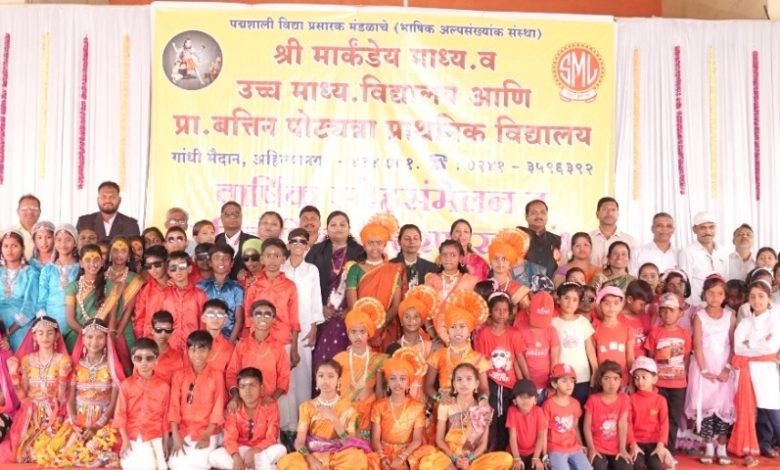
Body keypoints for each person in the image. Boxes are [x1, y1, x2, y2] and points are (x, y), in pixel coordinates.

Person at [276, 360, 371, 469]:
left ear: (339, 380)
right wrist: (310, 459)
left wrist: (334, 419)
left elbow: (349, 441)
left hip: (339, 455)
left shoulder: (348, 407)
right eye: (321, 376)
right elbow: (299, 443)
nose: (325, 380)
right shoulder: (306, 406)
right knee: (287, 462)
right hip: (314, 453)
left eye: (330, 376)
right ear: (316, 380)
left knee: (357, 458)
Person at [419, 363, 513, 469]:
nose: (464, 383)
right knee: (427, 461)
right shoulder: (446, 405)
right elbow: (439, 440)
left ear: (476, 384)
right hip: (449, 457)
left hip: (471, 460)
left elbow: (483, 444)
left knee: (506, 458)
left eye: (469, 379)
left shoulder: (482, 409)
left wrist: (468, 459)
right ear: (454, 384)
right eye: (459, 379)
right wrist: (454, 458)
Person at [683, 274, 735, 465]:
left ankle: (721, 447)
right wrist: (704, 370)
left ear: (725, 295)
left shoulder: (730, 316)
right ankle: (708, 447)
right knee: (705, 408)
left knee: (723, 408)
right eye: (711, 293)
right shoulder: (699, 316)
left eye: (719, 293)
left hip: (723, 368)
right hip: (703, 368)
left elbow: (733, 345)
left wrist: (727, 368)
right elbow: (697, 345)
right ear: (704, 294)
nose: (715, 297)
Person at [306, 210, 366, 373]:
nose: (338, 228)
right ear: (327, 229)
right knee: (321, 357)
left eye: (342, 225)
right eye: (333, 225)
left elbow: (365, 284)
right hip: (322, 314)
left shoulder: (360, 252)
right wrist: (320, 307)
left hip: (348, 314)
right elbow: (307, 284)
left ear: (349, 228)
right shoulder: (316, 251)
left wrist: (351, 308)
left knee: (344, 360)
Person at [6, 314, 71, 464]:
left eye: (49, 333)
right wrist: (13, 374)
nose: (45, 337)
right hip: (31, 414)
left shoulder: (63, 360)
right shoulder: (26, 361)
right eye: (40, 333)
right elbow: (22, 398)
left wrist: (62, 377)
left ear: (56, 336)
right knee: (23, 454)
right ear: (34, 337)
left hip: (54, 413)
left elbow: (62, 398)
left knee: (51, 451)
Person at [59, 318, 123, 467]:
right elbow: (70, 399)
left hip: (104, 420)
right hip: (78, 420)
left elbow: (114, 403)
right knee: (66, 452)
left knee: (102, 449)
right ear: (83, 338)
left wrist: (97, 426)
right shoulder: (76, 366)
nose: (94, 342)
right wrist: (75, 422)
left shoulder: (112, 367)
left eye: (100, 337)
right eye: (90, 337)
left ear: (106, 339)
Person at [729, 280, 780, 467]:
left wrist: (750, 343)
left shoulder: (775, 319)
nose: (757, 301)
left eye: (761, 296)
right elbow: (738, 348)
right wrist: (759, 344)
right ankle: (759, 446)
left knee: (772, 409)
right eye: (752, 297)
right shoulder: (745, 322)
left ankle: (770, 443)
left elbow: (771, 346)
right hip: (747, 371)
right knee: (752, 411)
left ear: (769, 298)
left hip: (767, 370)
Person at [474, 291, 529, 452]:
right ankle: (488, 453)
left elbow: (520, 357)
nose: (501, 314)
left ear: (510, 312)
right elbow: (481, 362)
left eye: (505, 310)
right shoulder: (484, 334)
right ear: (490, 311)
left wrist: (528, 380)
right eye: (497, 309)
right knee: (491, 419)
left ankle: (504, 454)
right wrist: (481, 386)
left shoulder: (514, 333)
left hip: (510, 384)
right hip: (492, 382)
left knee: (507, 420)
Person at [225, 300, 290, 427]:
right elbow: (231, 373)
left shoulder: (278, 347)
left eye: (267, 314)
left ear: (274, 320)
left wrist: (272, 398)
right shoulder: (242, 345)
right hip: (243, 404)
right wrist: (236, 397)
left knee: (270, 437)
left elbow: (284, 377)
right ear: (251, 319)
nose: (263, 317)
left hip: (268, 405)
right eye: (258, 314)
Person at [207, 367, 287, 470]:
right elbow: (229, 438)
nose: (247, 390)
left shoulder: (270, 406)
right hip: (240, 449)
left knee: (281, 449)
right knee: (214, 456)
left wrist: (255, 450)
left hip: (262, 449)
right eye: (243, 386)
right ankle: (258, 466)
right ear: (239, 391)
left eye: (252, 385)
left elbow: (271, 437)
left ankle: (246, 467)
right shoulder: (234, 408)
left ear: (261, 388)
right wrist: (235, 456)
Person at [168, 331, 225, 470]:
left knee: (199, 463)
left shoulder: (216, 375)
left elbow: (218, 406)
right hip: (184, 430)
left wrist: (207, 434)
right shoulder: (179, 375)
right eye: (193, 350)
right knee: (175, 463)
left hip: (208, 430)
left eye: (202, 350)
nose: (197, 354)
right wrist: (175, 435)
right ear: (187, 351)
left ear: (210, 352)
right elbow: (174, 407)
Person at [281, 227, 324, 410]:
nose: (298, 244)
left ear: (307, 246)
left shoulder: (312, 270)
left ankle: (303, 417)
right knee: (283, 370)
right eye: (294, 241)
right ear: (288, 245)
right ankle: (284, 419)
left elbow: (316, 300)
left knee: (303, 373)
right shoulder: (280, 268)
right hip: (282, 327)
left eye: (302, 241)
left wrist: (314, 328)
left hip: (305, 326)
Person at [644, 292, 691, 453]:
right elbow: (650, 358)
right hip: (659, 384)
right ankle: (654, 449)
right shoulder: (655, 333)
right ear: (659, 312)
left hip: (678, 385)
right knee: (655, 416)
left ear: (680, 312)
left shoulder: (685, 334)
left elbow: (686, 358)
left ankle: (668, 450)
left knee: (673, 417)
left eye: (671, 310)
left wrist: (683, 377)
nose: (667, 314)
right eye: (663, 310)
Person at [347, 213, 403, 349]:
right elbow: (353, 306)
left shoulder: (394, 270)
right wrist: (367, 330)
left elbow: (395, 306)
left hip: (386, 330)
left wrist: (379, 329)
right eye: (370, 243)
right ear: (364, 245)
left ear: (384, 244)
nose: (374, 247)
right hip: (360, 332)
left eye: (379, 243)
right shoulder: (354, 269)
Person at [334, 298, 387, 440]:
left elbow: (379, 391)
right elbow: (334, 390)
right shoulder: (340, 358)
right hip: (345, 412)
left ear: (368, 333)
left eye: (362, 332)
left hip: (368, 413)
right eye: (353, 332)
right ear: (348, 334)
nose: (358, 336)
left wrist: (380, 415)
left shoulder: (377, 359)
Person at [114, 337, 171, 470]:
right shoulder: (126, 385)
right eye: (138, 358)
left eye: (149, 358)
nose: (143, 362)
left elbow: (165, 417)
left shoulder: (163, 387)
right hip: (130, 436)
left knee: (155, 466)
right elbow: (120, 414)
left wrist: (165, 442)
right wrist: (125, 439)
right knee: (129, 466)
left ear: (156, 360)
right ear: (133, 360)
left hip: (153, 435)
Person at [369, 352, 426, 469]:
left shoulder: (417, 407)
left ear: (409, 384)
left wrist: (402, 457)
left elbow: (417, 440)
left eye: (402, 379)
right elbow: (375, 439)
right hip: (383, 451)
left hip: (407, 452)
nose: (397, 383)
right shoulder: (378, 406)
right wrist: (382, 457)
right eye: (393, 378)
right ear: (387, 383)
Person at [64, 244, 120, 353]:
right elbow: (70, 319)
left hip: (102, 338)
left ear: (102, 262)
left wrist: (107, 337)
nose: (93, 264)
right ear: (81, 263)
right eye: (88, 260)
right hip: (77, 335)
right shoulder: (73, 287)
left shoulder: (111, 286)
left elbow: (112, 317)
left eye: (96, 260)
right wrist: (86, 335)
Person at [387, 285, 437, 402]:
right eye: (407, 317)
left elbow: (433, 383)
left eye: (416, 316)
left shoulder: (430, 347)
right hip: (401, 404)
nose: (412, 321)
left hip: (425, 403)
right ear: (401, 320)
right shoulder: (394, 348)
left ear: (422, 320)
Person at [552, 282, 597, 407]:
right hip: (561, 376)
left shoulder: (583, 322)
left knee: (580, 407)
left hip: (582, 375)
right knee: (562, 407)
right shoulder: (553, 323)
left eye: (574, 299)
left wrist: (595, 370)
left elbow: (590, 349)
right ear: (558, 299)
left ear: (578, 302)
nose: (570, 303)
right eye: (566, 298)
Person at [583, 361, 631, 470]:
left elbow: (623, 425)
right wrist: (591, 449)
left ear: (620, 380)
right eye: (607, 378)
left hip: (616, 448)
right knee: (599, 466)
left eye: (615, 378)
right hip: (597, 447)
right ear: (600, 381)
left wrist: (622, 449)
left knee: (626, 467)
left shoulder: (624, 398)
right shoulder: (593, 399)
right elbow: (586, 427)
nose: (611, 383)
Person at [543, 363, 592, 470]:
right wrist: (544, 453)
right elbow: (543, 431)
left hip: (573, 447)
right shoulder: (548, 405)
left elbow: (575, 428)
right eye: (564, 381)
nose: (569, 385)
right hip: (555, 448)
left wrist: (580, 444)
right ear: (554, 384)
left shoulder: (575, 404)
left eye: (572, 381)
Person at [106, 236, 144, 367]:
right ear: (110, 253)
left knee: (126, 363)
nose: (119, 255)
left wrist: (117, 334)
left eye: (123, 251)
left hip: (125, 326)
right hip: (103, 325)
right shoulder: (102, 276)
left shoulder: (134, 278)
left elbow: (129, 309)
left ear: (129, 255)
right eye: (115, 250)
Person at [628, 357, 671, 470]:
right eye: (636, 377)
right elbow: (627, 424)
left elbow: (664, 424)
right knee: (636, 465)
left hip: (654, 442)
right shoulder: (631, 399)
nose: (640, 381)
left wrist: (660, 445)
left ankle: (665, 454)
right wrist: (632, 444)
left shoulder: (661, 400)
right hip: (636, 441)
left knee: (655, 465)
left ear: (654, 379)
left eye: (644, 377)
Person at [161, 250, 207, 353]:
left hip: (193, 347)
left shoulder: (200, 295)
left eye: (182, 267)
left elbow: (203, 324)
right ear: (169, 272)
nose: (178, 271)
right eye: (173, 268)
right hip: (169, 347)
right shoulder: (164, 294)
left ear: (189, 269)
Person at [0, 230, 39, 351]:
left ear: (22, 248)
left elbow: (30, 307)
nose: (9, 250)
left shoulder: (31, 273)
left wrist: (8, 332)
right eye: (6, 246)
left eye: (14, 246)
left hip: (21, 328)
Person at [37, 224, 79, 336]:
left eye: (68, 240)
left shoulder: (80, 267)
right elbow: (42, 298)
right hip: (51, 319)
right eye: (59, 240)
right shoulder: (48, 269)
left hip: (75, 318)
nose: (63, 244)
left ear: (75, 242)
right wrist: (43, 320)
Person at [677, 211, 728, 303]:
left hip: (720, 305)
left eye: (711, 227)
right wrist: (691, 309)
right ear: (694, 229)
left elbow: (726, 280)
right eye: (703, 228)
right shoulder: (687, 252)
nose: (707, 231)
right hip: (697, 306)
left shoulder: (723, 251)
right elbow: (685, 285)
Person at [517, 291, 560, 395]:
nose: (540, 324)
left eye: (543, 320)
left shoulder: (551, 330)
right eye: (537, 319)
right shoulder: (519, 329)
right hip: (526, 383)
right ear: (528, 312)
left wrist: (552, 383)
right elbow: (518, 357)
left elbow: (554, 359)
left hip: (546, 385)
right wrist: (524, 380)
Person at [198, 244, 243, 341]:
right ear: (210, 262)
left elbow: (238, 320)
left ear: (232, 263)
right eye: (217, 258)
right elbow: (197, 316)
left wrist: (230, 343)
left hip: (228, 339)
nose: (221, 262)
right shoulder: (201, 287)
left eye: (226, 259)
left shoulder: (237, 289)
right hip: (204, 340)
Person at [592, 287, 634, 387]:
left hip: (623, 380)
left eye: (616, 303)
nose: (611, 307)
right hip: (603, 381)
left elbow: (630, 359)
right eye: (607, 303)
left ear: (621, 305)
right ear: (600, 305)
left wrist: (632, 382)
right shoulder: (594, 330)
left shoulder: (627, 329)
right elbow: (593, 359)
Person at [76, 181, 140, 239]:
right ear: (98, 199)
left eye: (112, 197)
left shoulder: (131, 224)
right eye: (104, 197)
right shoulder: (84, 222)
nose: (108, 200)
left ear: (119, 200)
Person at [506, 379, 546, 470]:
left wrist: (536, 458)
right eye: (521, 397)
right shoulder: (512, 411)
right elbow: (512, 437)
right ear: (515, 401)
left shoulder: (538, 411)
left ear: (535, 400)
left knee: (539, 467)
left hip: (533, 452)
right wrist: (516, 458)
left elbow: (541, 436)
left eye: (529, 397)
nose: (526, 400)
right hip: (515, 452)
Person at [489, 228, 532, 310]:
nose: (500, 263)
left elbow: (527, 313)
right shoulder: (483, 286)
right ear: (490, 261)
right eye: (496, 258)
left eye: (504, 259)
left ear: (510, 263)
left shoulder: (519, 289)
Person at [425, 239, 479, 305]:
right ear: (440, 257)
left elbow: (474, 306)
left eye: (453, 255)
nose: (448, 258)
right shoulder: (431, 279)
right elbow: (425, 305)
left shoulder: (470, 281)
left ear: (460, 258)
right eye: (444, 255)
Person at [214, 201, 258, 279]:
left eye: (236, 214)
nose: (232, 217)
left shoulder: (254, 241)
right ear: (221, 218)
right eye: (227, 214)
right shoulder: (215, 241)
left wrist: (248, 275)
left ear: (241, 217)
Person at [390, 223, 438, 294]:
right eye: (407, 239)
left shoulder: (431, 268)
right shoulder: (389, 266)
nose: (411, 242)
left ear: (420, 241)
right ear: (399, 241)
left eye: (415, 238)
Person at [518, 199, 562, 277]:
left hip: (550, 284)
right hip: (521, 284)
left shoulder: (557, 241)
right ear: (526, 216)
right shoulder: (517, 237)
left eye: (542, 212)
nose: (538, 216)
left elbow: (562, 270)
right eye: (534, 213)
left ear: (547, 216)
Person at [588, 198, 636, 268]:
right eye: (605, 209)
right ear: (597, 214)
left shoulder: (629, 241)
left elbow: (633, 267)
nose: (609, 213)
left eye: (613, 210)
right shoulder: (587, 239)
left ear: (618, 214)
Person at [133, 245, 169, 339]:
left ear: (166, 263)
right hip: (150, 341)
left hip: (173, 340)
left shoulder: (177, 287)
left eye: (157, 265)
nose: (153, 269)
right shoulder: (145, 290)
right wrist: (142, 340)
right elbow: (139, 320)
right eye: (149, 266)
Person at [150, 310, 185, 384]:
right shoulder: (142, 354)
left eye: (167, 330)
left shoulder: (177, 358)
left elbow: (178, 385)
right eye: (159, 330)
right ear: (152, 330)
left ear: (172, 331)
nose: (163, 334)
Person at [200, 300, 233, 372]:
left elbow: (230, 374)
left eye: (220, 315)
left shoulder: (229, 347)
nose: (215, 318)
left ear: (225, 320)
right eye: (211, 314)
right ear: (203, 318)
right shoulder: (193, 342)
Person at [15, 194, 41, 261]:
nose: (29, 212)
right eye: (24, 208)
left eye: (34, 208)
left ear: (40, 212)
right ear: (18, 211)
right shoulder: (7, 233)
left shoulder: (49, 233)